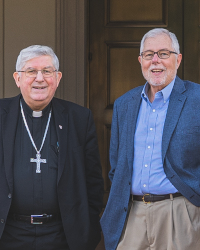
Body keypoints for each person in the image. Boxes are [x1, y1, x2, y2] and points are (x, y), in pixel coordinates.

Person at [100, 28, 200, 250]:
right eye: (149, 54)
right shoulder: (124, 104)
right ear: (140, 60)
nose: (156, 60)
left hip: (181, 213)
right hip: (131, 215)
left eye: (164, 53)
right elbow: (117, 166)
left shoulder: (197, 99)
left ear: (178, 59)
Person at [0, 45, 104, 250]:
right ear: (17, 78)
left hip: (62, 236)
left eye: (47, 71)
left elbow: (93, 182)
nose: (40, 78)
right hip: (9, 234)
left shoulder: (79, 118)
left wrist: (89, 229)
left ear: (57, 78)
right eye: (31, 71)